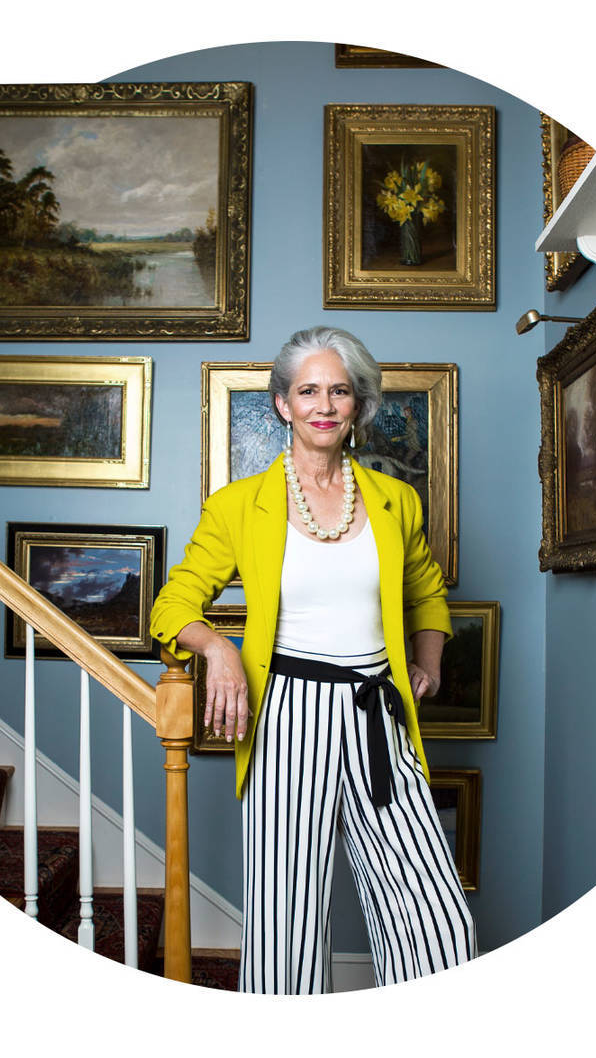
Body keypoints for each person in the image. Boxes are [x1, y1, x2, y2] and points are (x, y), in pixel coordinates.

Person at [149, 326, 476, 993]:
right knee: (287, 928)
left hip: (378, 712)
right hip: (285, 717)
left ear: (357, 404)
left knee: (440, 923)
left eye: (339, 390)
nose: (324, 404)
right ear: (282, 405)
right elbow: (171, 604)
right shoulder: (239, 506)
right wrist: (219, 650)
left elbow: (427, 592)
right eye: (308, 391)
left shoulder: (396, 501)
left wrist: (431, 664)